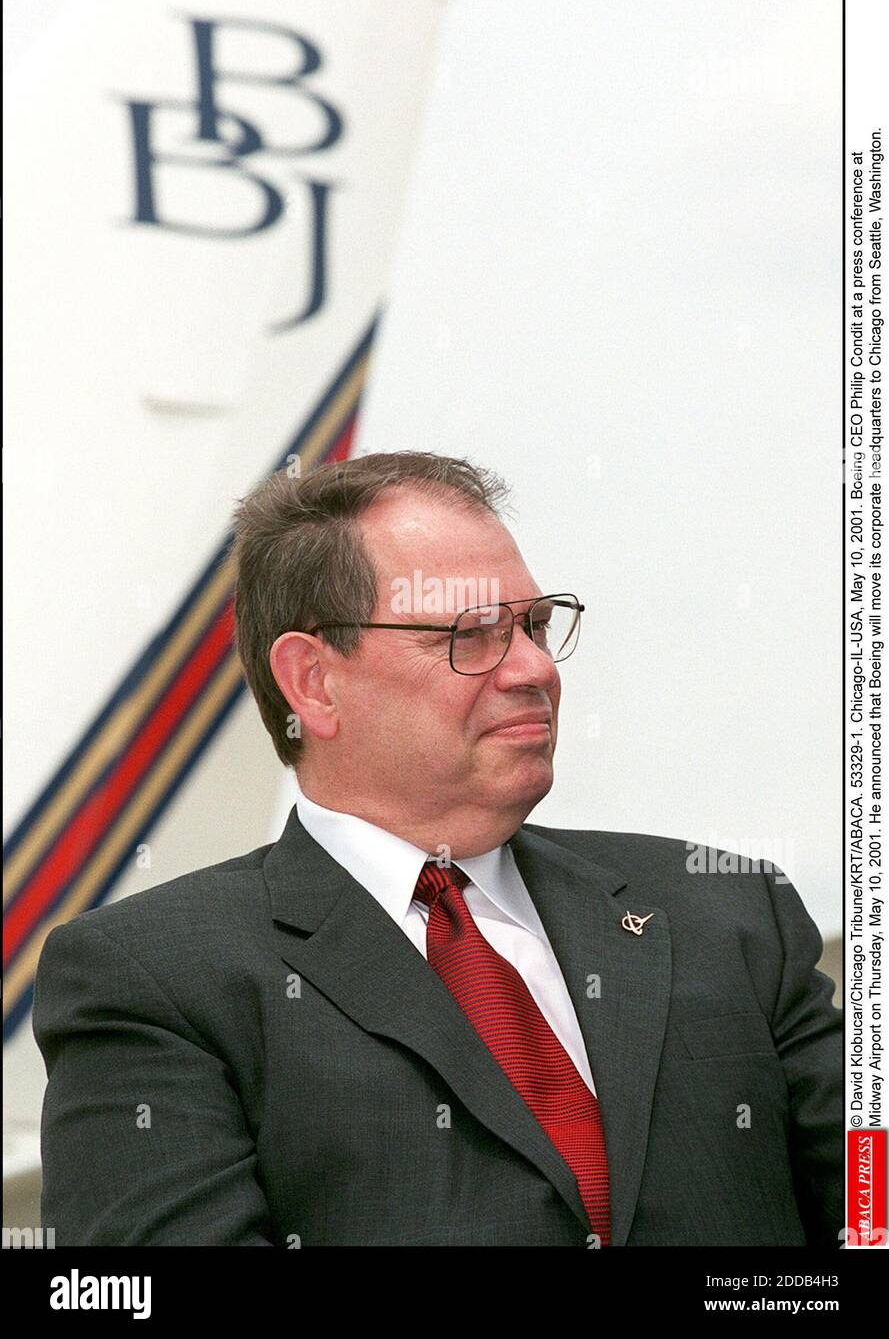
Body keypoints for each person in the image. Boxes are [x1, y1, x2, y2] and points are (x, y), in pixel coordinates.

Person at [33, 450, 843, 1246]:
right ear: (313, 681)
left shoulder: (725, 910)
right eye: (473, 633)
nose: (533, 668)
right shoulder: (154, 978)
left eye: (532, 624)